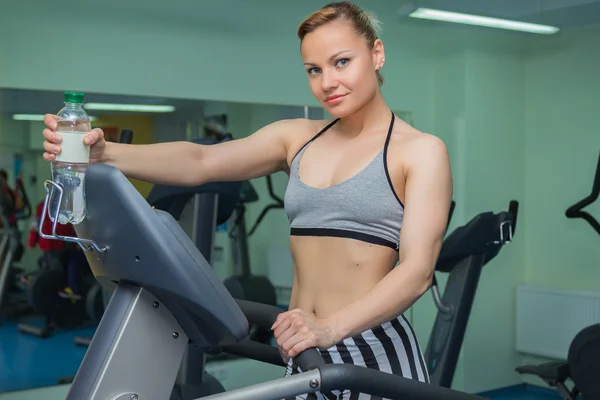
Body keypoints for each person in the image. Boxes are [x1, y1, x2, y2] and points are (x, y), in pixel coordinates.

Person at [42, 1, 452, 398]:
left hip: (374, 357)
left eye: (341, 62)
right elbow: (201, 160)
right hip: (304, 352)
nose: (327, 82)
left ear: (376, 53)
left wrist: (328, 328)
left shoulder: (419, 151)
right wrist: (105, 152)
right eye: (314, 69)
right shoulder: (297, 138)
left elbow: (416, 272)